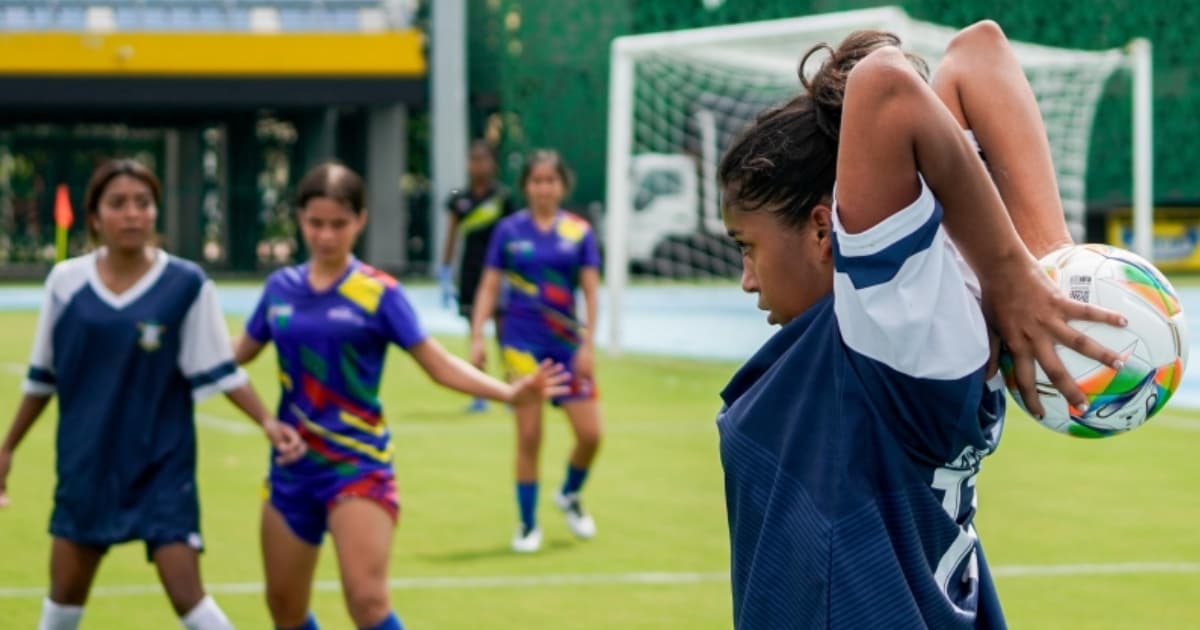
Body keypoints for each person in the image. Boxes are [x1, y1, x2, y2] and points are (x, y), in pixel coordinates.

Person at [715, 23, 1125, 628]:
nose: (748, 278)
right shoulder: (938, 304)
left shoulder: (890, 321)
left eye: (747, 246)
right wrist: (1046, 266)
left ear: (825, 230)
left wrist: (1013, 269)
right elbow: (978, 52)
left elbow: (884, 83)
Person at [234, 161, 566, 630]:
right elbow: (233, 358)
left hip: (359, 466)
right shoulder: (279, 289)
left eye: (338, 224)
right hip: (291, 470)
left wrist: (509, 394)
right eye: (315, 223)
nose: (326, 235)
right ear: (300, 220)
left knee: (367, 603)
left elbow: (436, 362)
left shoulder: (378, 293)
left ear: (361, 221)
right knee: (284, 609)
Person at [0, 158, 304, 630]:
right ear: (95, 216)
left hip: (162, 464)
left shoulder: (186, 284)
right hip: (87, 463)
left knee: (188, 594)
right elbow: (42, 377)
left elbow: (221, 368)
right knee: (62, 605)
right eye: (118, 204)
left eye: (143, 204)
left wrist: (267, 422)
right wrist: (7, 447)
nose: (132, 214)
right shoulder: (65, 284)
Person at [469, 150, 603, 553]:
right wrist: (477, 334)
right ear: (525, 186)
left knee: (591, 435)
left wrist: (588, 343)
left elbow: (592, 292)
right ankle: (527, 525)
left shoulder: (579, 232)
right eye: (536, 180)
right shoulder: (508, 231)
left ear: (562, 185)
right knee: (529, 437)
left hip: (567, 346)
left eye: (551, 180)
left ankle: (570, 494)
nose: (544, 188)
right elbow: (490, 286)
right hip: (522, 347)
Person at [439, 140, 516, 413]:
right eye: (473, 159)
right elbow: (451, 236)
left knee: (504, 332)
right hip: (470, 273)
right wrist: (445, 270)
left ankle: (510, 388)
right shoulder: (459, 197)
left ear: (493, 163)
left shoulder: (503, 197)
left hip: (499, 273)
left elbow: (513, 237)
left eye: (483, 159)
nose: (478, 165)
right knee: (474, 332)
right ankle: (479, 393)